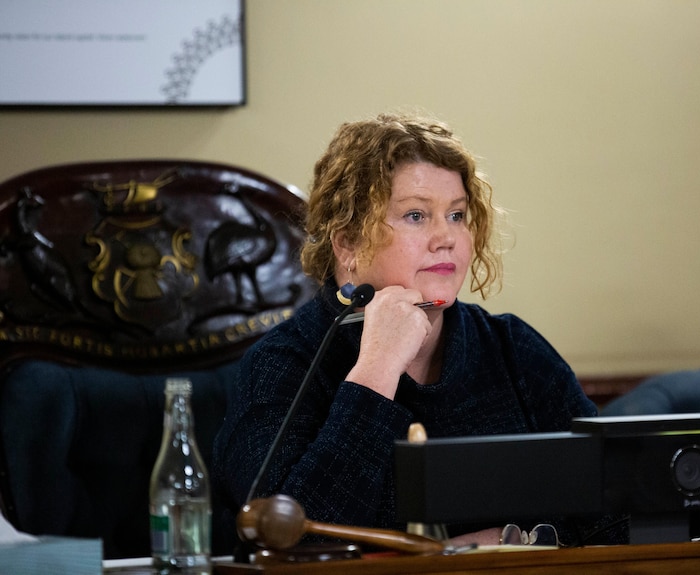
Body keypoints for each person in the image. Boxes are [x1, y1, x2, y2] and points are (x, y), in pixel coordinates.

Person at [211, 112, 628, 548]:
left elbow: (613, 518)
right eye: (415, 215)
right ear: (348, 244)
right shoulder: (281, 365)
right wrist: (377, 368)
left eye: (456, 215)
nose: (444, 237)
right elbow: (291, 541)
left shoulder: (514, 351)